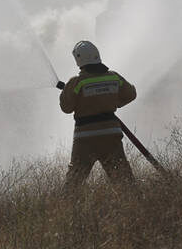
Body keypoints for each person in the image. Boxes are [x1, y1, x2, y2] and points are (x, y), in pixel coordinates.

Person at [58, 40, 136, 189]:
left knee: (74, 183)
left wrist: (65, 94)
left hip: (85, 138)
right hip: (111, 134)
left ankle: (66, 208)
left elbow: (66, 108)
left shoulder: (76, 82)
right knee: (124, 181)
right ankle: (137, 206)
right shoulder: (114, 77)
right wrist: (115, 102)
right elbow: (131, 94)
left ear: (78, 59)